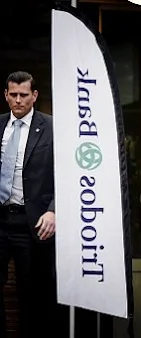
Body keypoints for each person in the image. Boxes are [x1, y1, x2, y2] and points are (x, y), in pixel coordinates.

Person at [0, 71, 65, 337]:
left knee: (33, 293)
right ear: (5, 95)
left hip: (34, 222)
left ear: (34, 95)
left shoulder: (52, 127)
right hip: (1, 218)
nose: (18, 101)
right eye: (12, 95)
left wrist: (54, 210)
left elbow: (66, 174)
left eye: (23, 95)